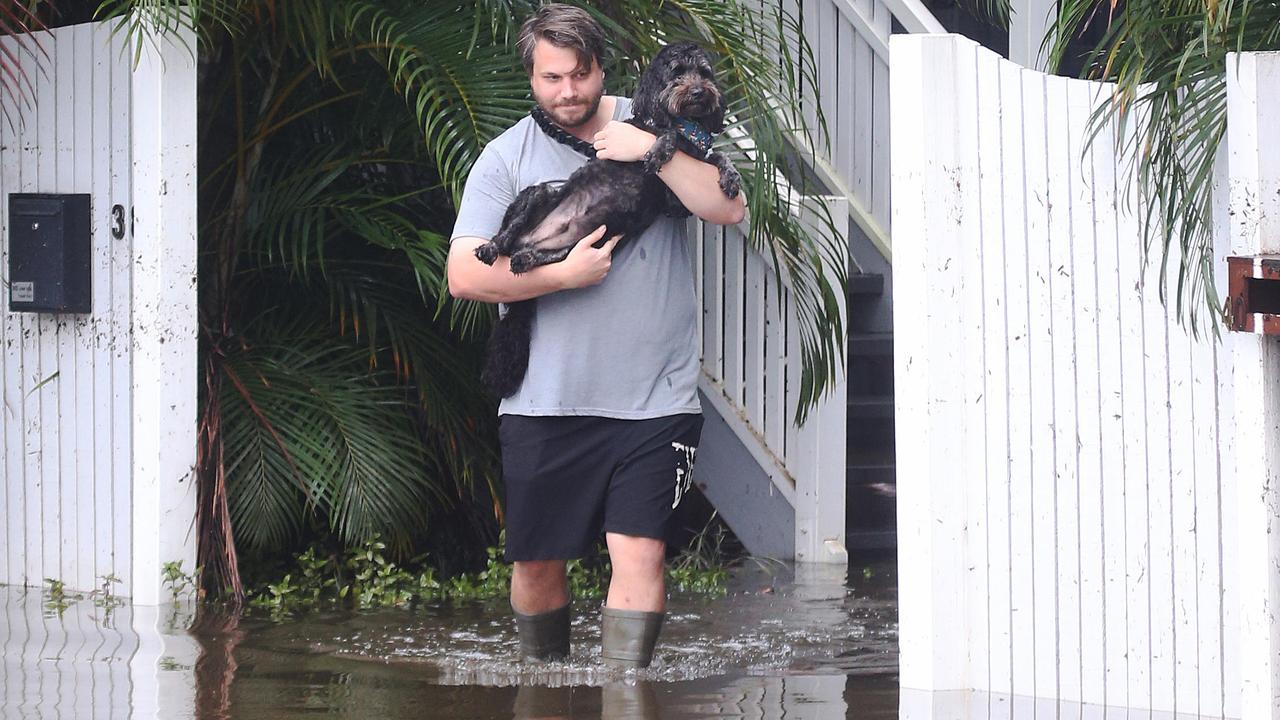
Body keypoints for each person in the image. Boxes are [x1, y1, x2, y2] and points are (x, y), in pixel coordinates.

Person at [447, 3, 745, 669]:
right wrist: (562, 276)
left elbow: (727, 206)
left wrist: (650, 150)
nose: (568, 91)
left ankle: (624, 696)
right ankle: (543, 689)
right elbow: (465, 276)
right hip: (545, 399)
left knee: (639, 552)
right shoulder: (505, 158)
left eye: (580, 74)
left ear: (600, 68)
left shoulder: (656, 121)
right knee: (534, 564)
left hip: (653, 397)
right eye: (552, 77)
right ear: (531, 76)